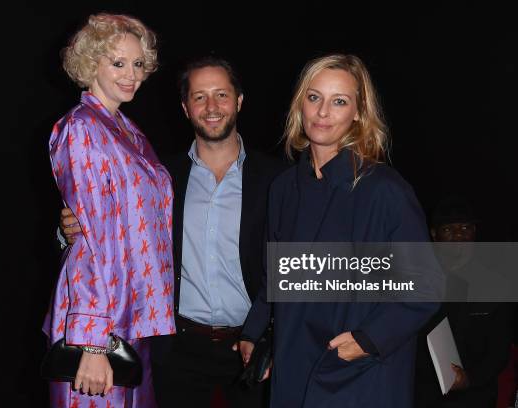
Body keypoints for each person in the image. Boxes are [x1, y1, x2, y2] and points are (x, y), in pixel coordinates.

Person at [61, 56, 285, 407]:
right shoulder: (159, 177)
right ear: (185, 107)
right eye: (199, 97)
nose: (211, 107)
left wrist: (272, 335)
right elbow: (111, 226)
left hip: (251, 345)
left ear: (239, 101)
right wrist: (69, 230)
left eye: (221, 95)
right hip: (177, 347)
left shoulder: (278, 179)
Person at [237, 54, 441, 407]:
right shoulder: (284, 188)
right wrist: (254, 330)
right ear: (300, 103)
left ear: (359, 112)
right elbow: (276, 274)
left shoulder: (385, 190)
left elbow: (426, 285)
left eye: (339, 101)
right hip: (294, 363)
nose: (322, 112)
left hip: (359, 374)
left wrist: (368, 340)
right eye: (314, 97)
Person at [42, 13, 175, 408]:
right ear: (91, 64)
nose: (131, 74)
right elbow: (89, 239)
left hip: (129, 315)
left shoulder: (126, 130)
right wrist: (93, 343)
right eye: (118, 63)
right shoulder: (82, 128)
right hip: (99, 324)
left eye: (137, 64)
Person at [414, 196, 516, 408]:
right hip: (422, 394)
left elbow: (500, 351)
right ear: (434, 234)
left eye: (465, 228)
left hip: (475, 396)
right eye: (449, 229)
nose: (458, 236)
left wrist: (470, 378)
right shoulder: (418, 280)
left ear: (474, 232)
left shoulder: (497, 285)